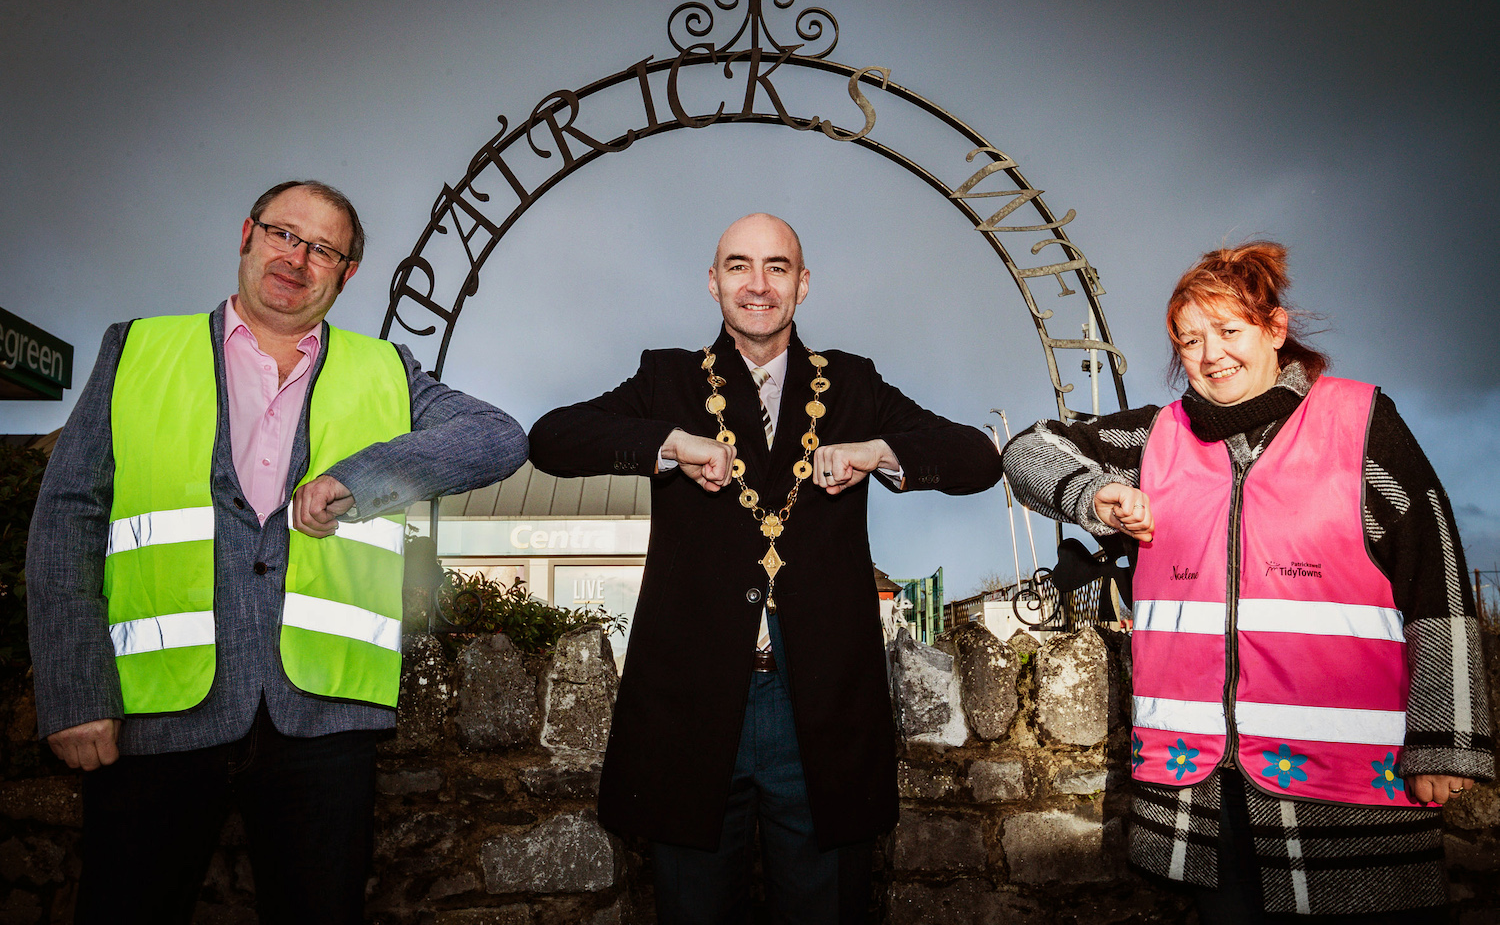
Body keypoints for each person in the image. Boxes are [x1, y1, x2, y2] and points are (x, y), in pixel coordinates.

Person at [27, 180, 528, 924]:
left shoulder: (387, 369)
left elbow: (499, 437)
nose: (296, 258)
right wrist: (73, 692)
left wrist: (361, 479)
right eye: (282, 234)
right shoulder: (134, 350)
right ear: (247, 234)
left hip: (324, 725)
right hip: (154, 718)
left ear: (346, 272)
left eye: (323, 249)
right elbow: (68, 516)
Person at [528, 213, 1002, 924]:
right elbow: (551, 439)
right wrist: (670, 442)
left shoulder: (852, 383)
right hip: (691, 707)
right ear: (713, 282)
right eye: (740, 266)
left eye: (777, 267)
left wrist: (877, 452)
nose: (758, 285)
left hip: (819, 709)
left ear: (802, 285)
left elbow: (978, 459)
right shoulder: (667, 378)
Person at [1002, 241, 1492, 922]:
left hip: (1351, 785)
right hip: (1203, 787)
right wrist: (1094, 494)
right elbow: (1026, 448)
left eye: (1228, 330)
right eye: (1189, 339)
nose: (1210, 355)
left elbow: (1434, 578)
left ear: (1274, 330)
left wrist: (1447, 739)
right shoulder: (1157, 439)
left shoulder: (1362, 425)